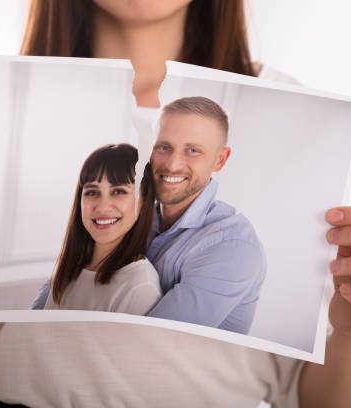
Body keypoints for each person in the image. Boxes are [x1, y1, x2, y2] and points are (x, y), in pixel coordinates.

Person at [0, 1, 351, 407]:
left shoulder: (299, 120)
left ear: (221, 159)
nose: (172, 165)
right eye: (93, 192)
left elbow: (322, 398)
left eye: (118, 190)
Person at [33, 96, 266, 334]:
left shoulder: (232, 245)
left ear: (220, 160)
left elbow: (150, 340)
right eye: (163, 147)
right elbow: (45, 305)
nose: (173, 164)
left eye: (193, 150)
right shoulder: (131, 213)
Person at [31, 143, 161, 315]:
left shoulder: (140, 286)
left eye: (119, 191)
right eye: (92, 192)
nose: (102, 206)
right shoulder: (68, 271)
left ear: (144, 202)